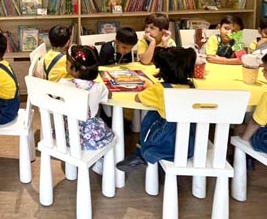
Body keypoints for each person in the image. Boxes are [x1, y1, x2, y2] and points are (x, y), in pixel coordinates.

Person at [116, 47, 197, 173]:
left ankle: (140, 153)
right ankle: (142, 155)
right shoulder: (192, 87)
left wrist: (151, 87)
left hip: (165, 145)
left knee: (153, 116)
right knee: (160, 115)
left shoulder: (160, 90)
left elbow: (138, 98)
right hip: (189, 144)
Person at [59, 45, 113, 173]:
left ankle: (72, 169)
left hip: (67, 134)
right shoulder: (98, 87)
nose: (65, 65)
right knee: (110, 135)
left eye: (67, 63)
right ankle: (100, 162)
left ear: (76, 69)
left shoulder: (63, 84)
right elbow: (109, 95)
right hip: (90, 136)